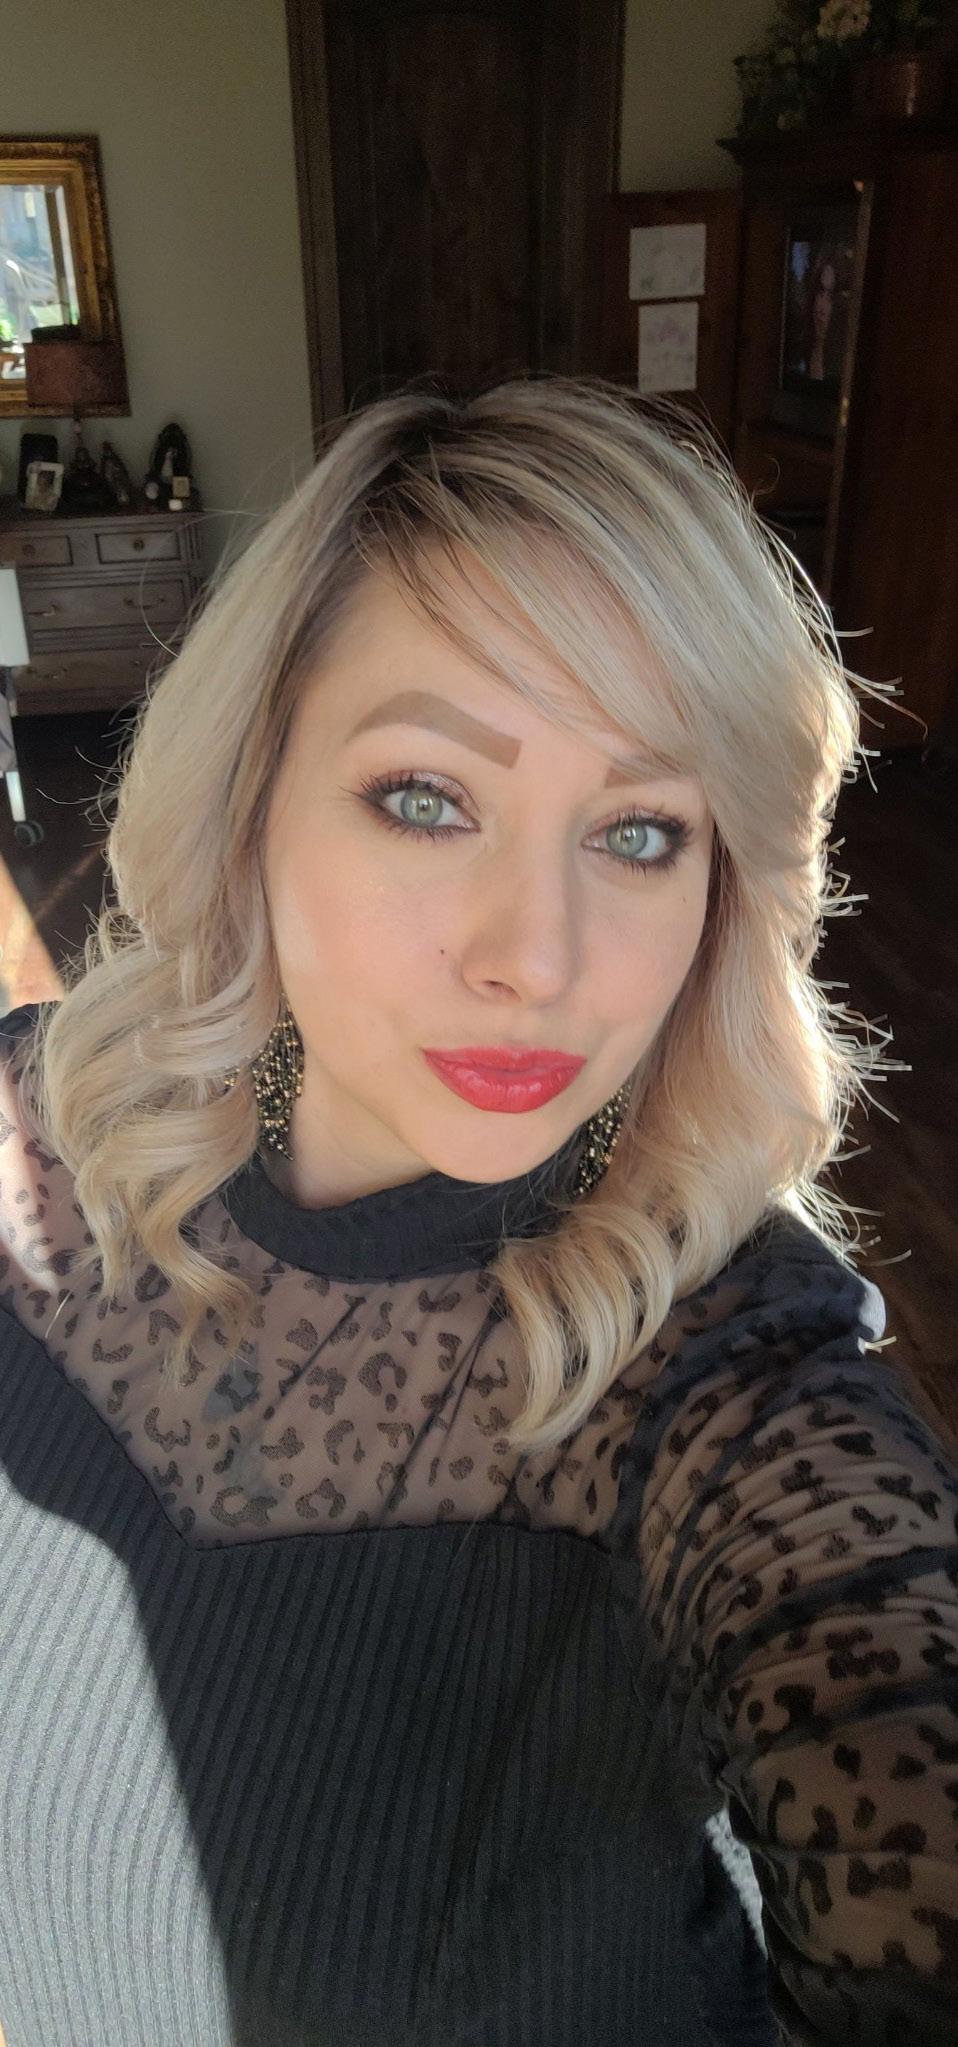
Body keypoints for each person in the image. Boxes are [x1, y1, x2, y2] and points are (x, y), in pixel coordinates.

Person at [0, 373, 954, 2047]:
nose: (537, 956)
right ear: (251, 799)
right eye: (428, 799)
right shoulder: (32, 1136)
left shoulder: (733, 1385)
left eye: (639, 831)